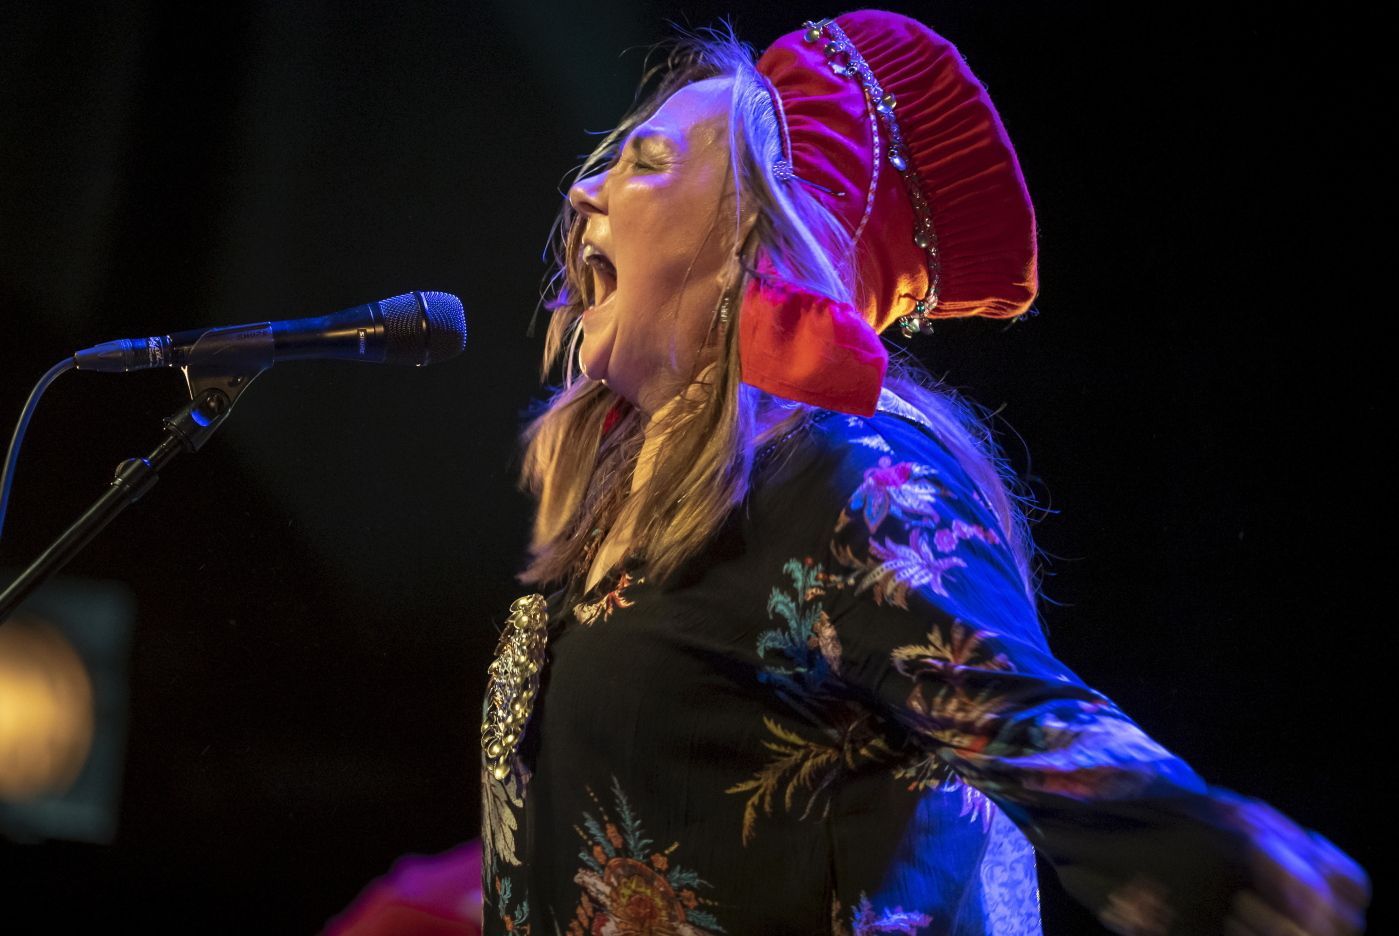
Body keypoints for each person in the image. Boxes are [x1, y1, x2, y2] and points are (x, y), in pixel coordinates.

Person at [480, 10, 1370, 935]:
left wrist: (1208, 850)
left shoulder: (843, 474)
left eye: (646, 164)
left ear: (759, 243)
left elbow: (1023, 718)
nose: (584, 190)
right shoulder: (633, 493)